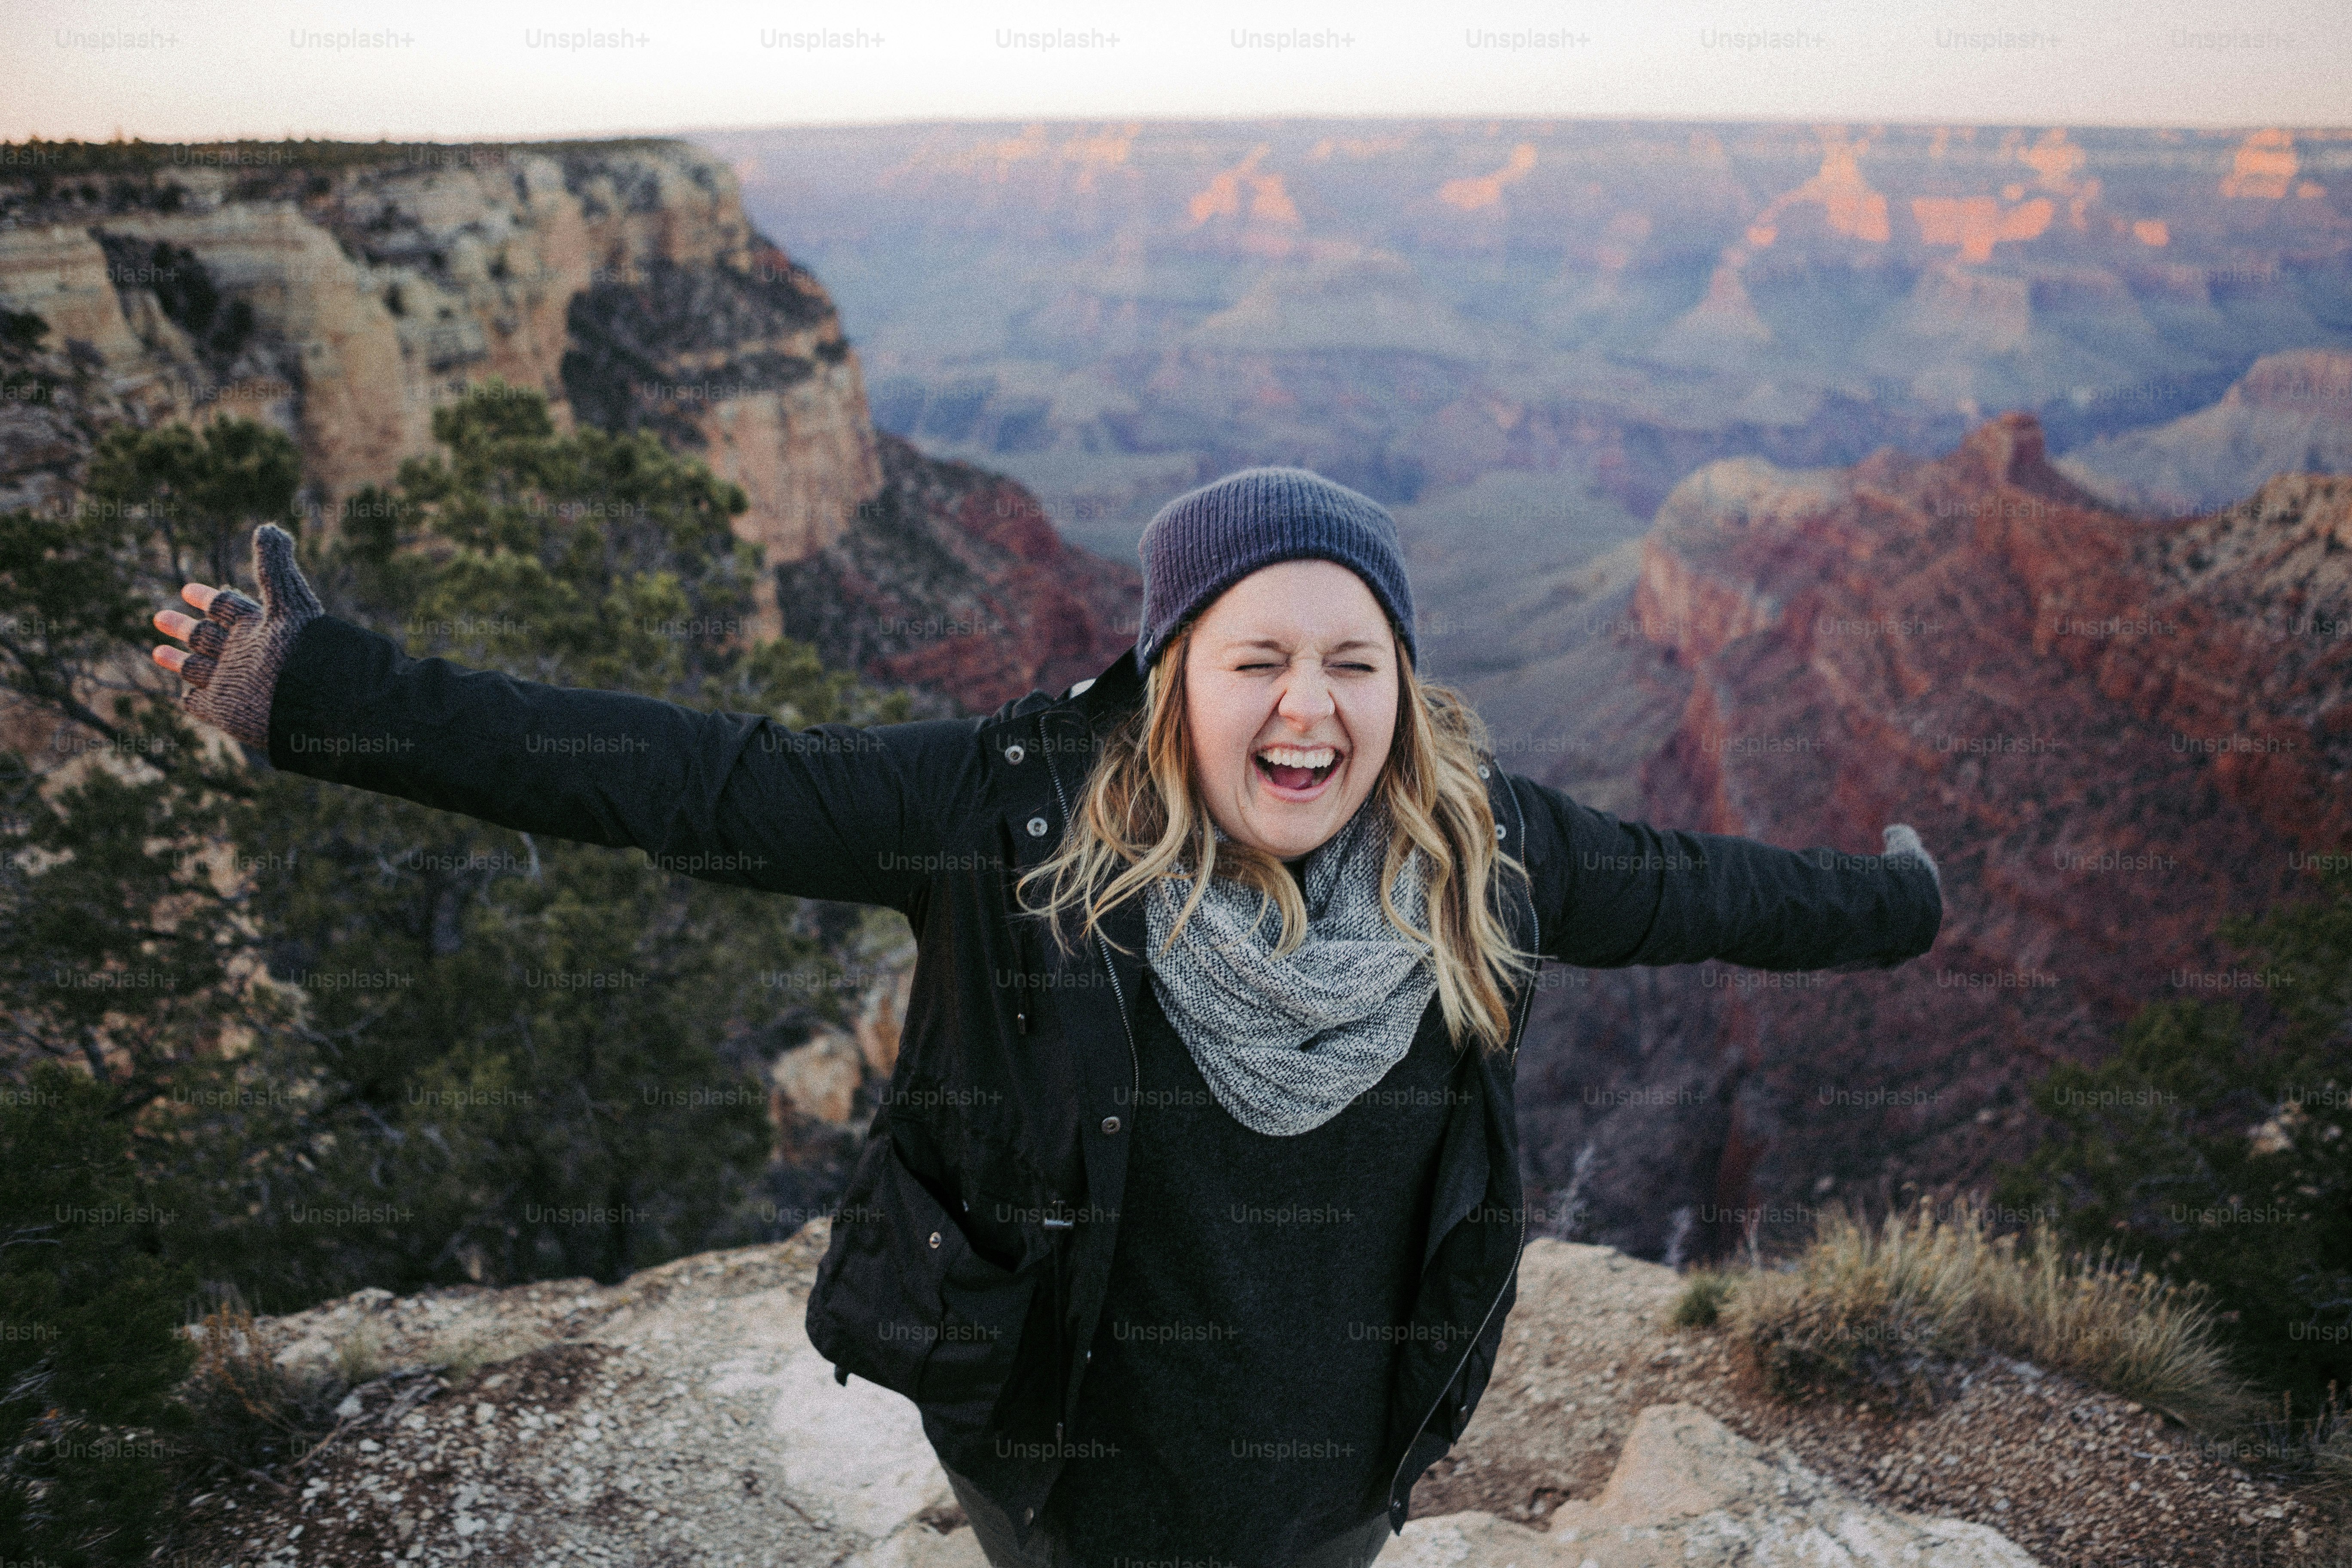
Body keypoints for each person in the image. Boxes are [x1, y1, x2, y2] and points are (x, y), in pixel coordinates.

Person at [153, 466, 1943, 1568]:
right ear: (1173, 677)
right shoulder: (1008, 814)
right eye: (1258, 656)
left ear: (1405, 681)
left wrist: (1905, 900)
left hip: (1334, 1480)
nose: (1308, 708)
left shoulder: (1486, 855)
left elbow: (1718, 888)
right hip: (1062, 1474)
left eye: (1354, 659)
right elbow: (692, 778)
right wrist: (322, 692)